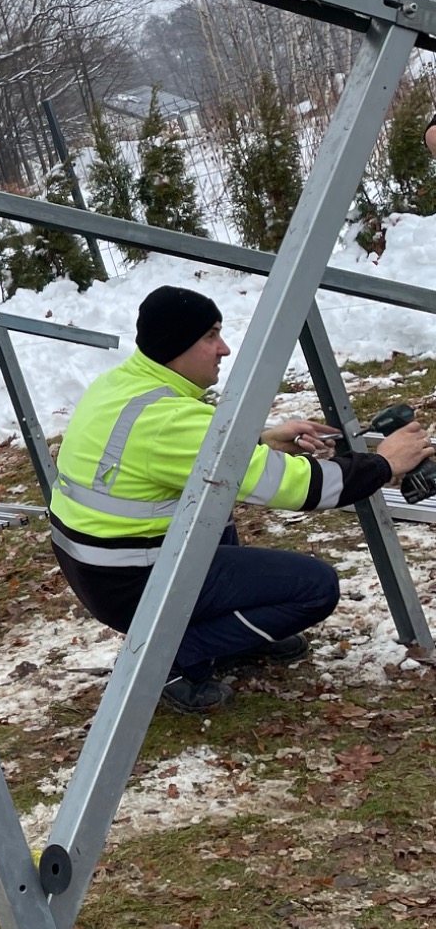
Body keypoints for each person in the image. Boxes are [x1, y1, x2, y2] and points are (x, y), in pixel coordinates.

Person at [50, 285, 432, 715]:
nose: (224, 349)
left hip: (99, 568)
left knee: (218, 512)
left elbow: (187, 453)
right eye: (210, 336)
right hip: (132, 583)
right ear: (177, 344)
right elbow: (302, 488)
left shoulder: (125, 385)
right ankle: (171, 659)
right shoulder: (168, 419)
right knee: (315, 588)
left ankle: (234, 635)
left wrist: (262, 440)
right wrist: (384, 463)